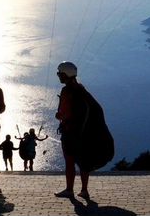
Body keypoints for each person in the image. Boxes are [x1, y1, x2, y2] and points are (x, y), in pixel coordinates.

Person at [54, 61, 114, 201]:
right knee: (83, 161)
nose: (58, 76)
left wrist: (58, 116)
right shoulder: (81, 89)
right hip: (83, 133)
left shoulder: (67, 91)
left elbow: (64, 114)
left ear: (65, 74)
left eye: (59, 73)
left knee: (69, 161)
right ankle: (84, 191)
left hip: (70, 132)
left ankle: (69, 190)